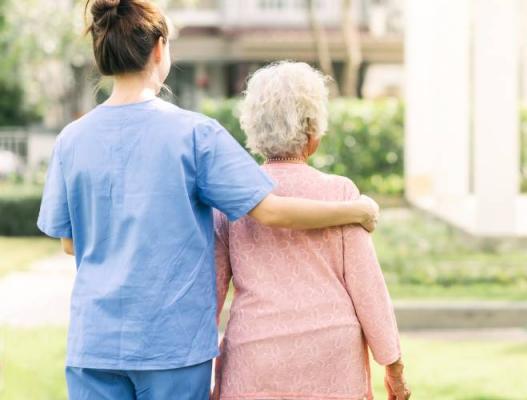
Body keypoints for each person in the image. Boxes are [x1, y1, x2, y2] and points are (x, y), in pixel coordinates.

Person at [36, 1, 379, 399]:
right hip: (173, 347)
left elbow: (69, 243)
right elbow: (271, 210)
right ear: (160, 48)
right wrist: (355, 210)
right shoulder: (195, 135)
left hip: (93, 344)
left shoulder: (71, 140)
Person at [212, 62, 410, 400]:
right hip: (333, 358)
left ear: (254, 128)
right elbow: (368, 289)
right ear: (313, 130)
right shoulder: (342, 194)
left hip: (256, 356)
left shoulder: (232, 200)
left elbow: (210, 293)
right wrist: (393, 366)